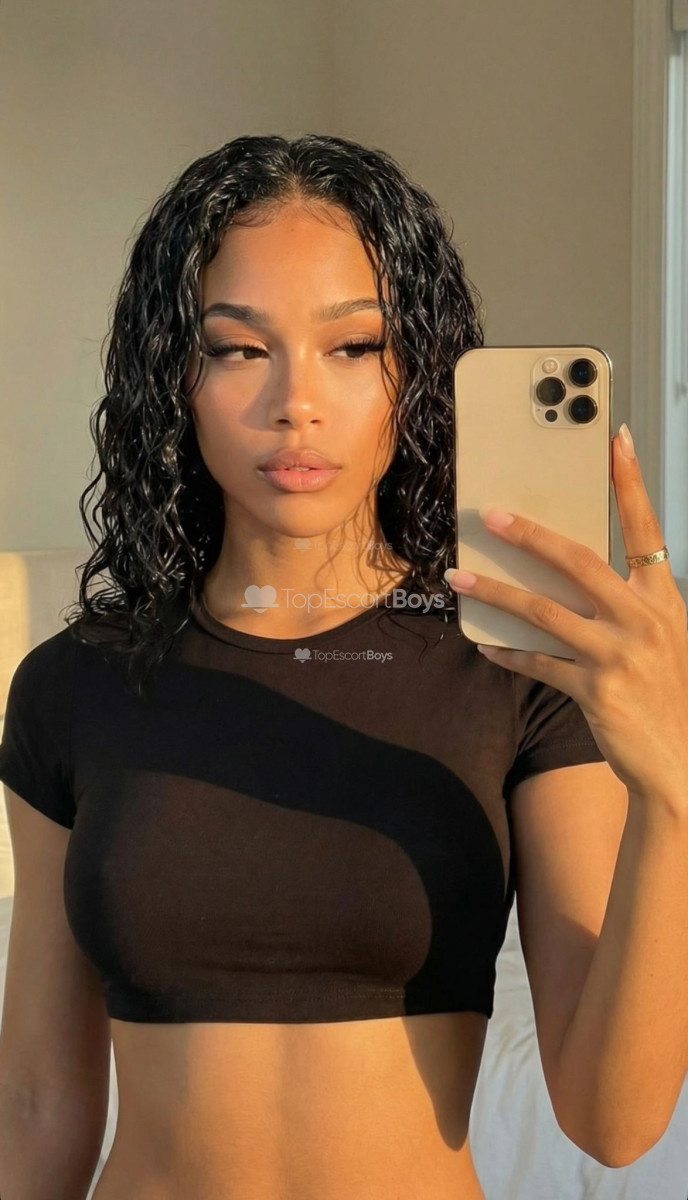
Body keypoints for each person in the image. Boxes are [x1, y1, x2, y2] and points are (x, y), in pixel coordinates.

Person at [0, 133, 620, 1200]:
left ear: (416, 371)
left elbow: (614, 1120)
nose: (296, 401)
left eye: (354, 346)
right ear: (175, 375)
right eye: (239, 348)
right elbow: (35, 1105)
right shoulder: (72, 686)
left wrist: (674, 788)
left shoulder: (518, 669)